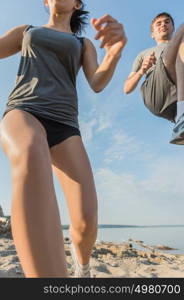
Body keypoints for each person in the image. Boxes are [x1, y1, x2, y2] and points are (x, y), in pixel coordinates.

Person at [0, 0, 127, 278]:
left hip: (65, 124)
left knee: (85, 222)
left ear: (77, 4)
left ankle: (82, 269)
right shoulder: (28, 31)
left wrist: (115, 53)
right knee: (32, 151)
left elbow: (97, 82)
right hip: (24, 110)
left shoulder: (83, 44)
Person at [124, 12, 184, 145]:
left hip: (177, 100)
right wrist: (142, 70)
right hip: (157, 94)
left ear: (172, 28)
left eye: (167, 22)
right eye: (159, 23)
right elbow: (127, 88)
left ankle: (181, 116)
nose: (163, 24)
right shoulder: (143, 54)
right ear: (152, 34)